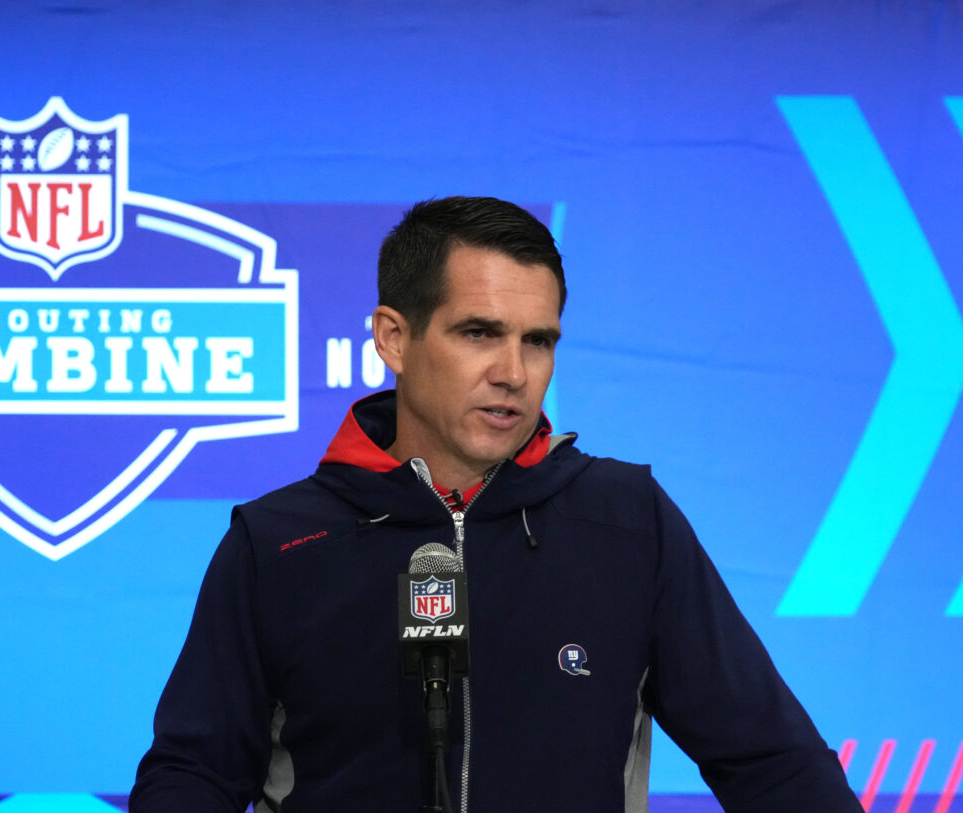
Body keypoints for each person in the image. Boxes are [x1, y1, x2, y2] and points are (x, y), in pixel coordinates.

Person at [129, 196, 862, 812]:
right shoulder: (280, 541)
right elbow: (194, 775)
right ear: (394, 337)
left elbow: (773, 762)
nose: (513, 371)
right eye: (479, 333)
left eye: (537, 341)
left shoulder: (626, 520)